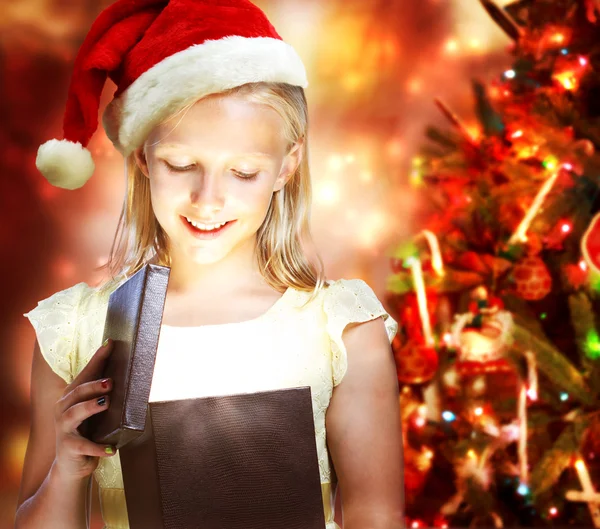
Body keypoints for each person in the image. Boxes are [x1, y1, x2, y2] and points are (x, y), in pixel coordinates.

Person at [15, 1, 405, 528]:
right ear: (142, 157)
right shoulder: (76, 330)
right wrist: (66, 469)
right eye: (182, 164)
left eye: (243, 172)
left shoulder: (340, 328)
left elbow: (375, 517)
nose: (208, 199)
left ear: (287, 166)